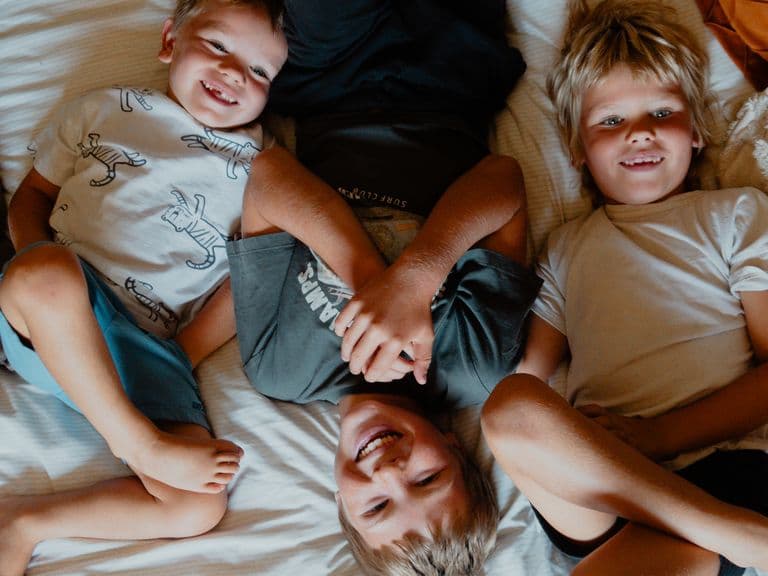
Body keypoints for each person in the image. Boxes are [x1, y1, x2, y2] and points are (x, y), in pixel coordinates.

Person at [187, 0, 542, 572]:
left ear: (341, 507)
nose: (389, 471)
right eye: (427, 478)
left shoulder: (281, 369)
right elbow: (504, 181)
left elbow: (269, 178)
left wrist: (368, 280)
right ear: (456, 448)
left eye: (376, 506)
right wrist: (414, 279)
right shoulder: (476, 367)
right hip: (455, 83)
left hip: (329, 86)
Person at [481, 1, 768, 575]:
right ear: (577, 151)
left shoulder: (736, 213)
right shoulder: (565, 246)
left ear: (697, 134)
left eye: (661, 112)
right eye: (610, 122)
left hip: (721, 466)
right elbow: (531, 383)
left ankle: (719, 534)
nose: (639, 133)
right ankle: (739, 539)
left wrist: (658, 437)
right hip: (605, 487)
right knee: (508, 408)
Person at [0, 1, 287, 573]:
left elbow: (246, 282)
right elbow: (31, 198)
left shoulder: (264, 165)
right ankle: (133, 442)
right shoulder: (106, 110)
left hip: (146, 352)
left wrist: (183, 353)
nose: (235, 73)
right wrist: (35, 260)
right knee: (43, 275)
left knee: (198, 505)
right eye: (218, 46)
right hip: (60, 306)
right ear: (169, 41)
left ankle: (24, 522)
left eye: (260, 72)